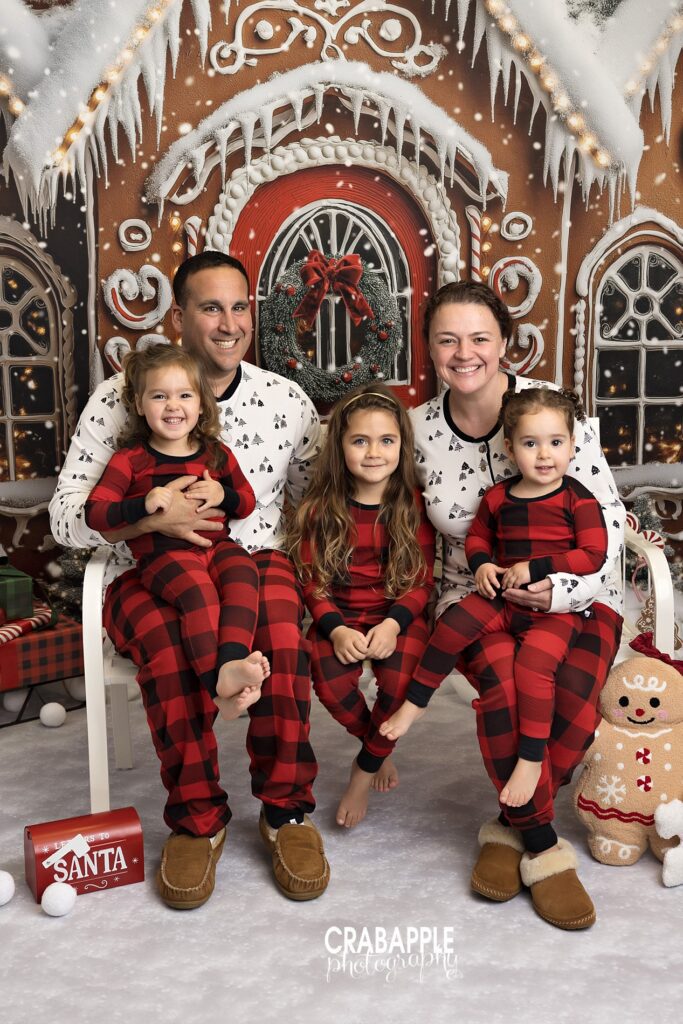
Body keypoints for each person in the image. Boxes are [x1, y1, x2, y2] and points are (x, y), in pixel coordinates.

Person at [49, 252, 330, 909]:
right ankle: (198, 817)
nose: (229, 324)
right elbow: (68, 515)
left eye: (239, 307)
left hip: (248, 556)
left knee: (283, 634)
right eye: (211, 308)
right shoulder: (124, 397)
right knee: (170, 647)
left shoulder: (283, 400)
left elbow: (314, 499)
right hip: (142, 567)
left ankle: (285, 810)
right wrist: (151, 517)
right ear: (179, 317)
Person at [407, 280, 624, 930]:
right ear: (428, 349)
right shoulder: (416, 431)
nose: (463, 352)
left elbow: (604, 526)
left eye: (479, 337)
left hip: (582, 599)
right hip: (481, 598)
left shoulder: (550, 414)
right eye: (447, 339)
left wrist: (557, 587)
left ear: (504, 343)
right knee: (505, 684)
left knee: (574, 703)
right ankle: (542, 847)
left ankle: (505, 827)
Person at [380, 387, 608, 809]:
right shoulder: (499, 497)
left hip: (553, 611)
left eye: (556, 443)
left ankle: (531, 758)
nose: (544, 455)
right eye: (530, 443)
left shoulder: (577, 497)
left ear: (573, 446)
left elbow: (593, 554)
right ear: (510, 448)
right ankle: (416, 702)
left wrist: (540, 567)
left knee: (533, 668)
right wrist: (483, 564)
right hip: (503, 598)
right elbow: (479, 537)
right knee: (452, 625)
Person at [84, 344, 270, 721]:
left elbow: (248, 502)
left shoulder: (216, 454)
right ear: (139, 404)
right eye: (159, 396)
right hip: (164, 557)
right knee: (198, 593)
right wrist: (144, 502)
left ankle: (231, 664)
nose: (173, 406)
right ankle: (215, 681)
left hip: (217, 548)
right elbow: (96, 513)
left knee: (244, 574)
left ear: (201, 403)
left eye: (185, 395)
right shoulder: (131, 459)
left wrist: (224, 493)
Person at [288, 384, 435, 828]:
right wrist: (334, 629)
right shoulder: (321, 508)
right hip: (341, 617)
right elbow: (312, 582)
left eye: (387, 440)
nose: (374, 452)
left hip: (397, 615)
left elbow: (421, 582)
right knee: (331, 685)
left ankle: (363, 770)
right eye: (360, 441)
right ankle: (378, 747)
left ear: (401, 446)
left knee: (401, 683)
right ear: (340, 447)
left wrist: (392, 625)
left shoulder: (411, 504)